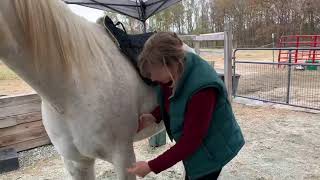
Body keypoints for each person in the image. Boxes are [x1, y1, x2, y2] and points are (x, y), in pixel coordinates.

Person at [127, 32, 245, 180]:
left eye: (152, 73)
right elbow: (174, 98)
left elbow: (190, 142)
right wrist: (155, 116)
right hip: (199, 144)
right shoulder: (176, 70)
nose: (152, 78)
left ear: (167, 64)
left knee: (203, 174)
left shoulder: (202, 90)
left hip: (213, 148)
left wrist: (151, 166)